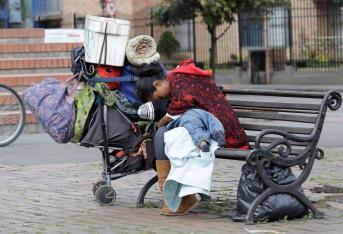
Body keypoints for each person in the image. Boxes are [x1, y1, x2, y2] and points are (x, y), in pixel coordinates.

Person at [135, 59, 249, 215]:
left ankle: (182, 198)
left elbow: (181, 106)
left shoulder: (179, 81)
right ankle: (173, 198)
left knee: (165, 133)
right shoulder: (176, 83)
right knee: (163, 135)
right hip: (203, 125)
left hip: (220, 127)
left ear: (157, 84)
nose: (162, 100)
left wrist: (161, 122)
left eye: (158, 97)